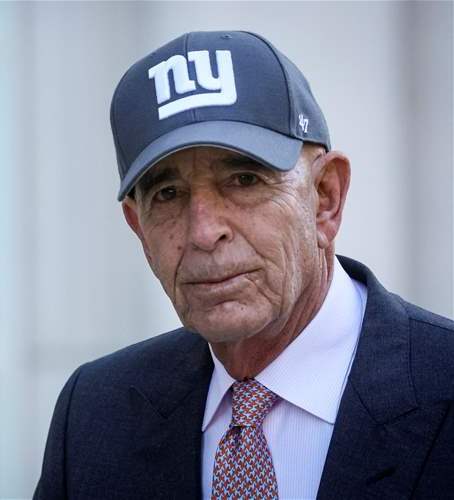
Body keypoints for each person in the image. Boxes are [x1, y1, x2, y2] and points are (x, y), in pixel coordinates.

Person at [34, 31, 454, 500]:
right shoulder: (95, 414)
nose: (203, 231)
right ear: (139, 228)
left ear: (325, 198)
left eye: (244, 180)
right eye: (167, 194)